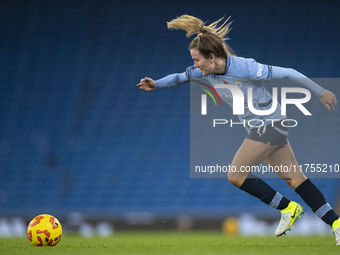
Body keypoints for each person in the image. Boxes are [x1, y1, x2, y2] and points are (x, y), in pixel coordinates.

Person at [137, 15, 339, 244]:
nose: (194, 65)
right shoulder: (208, 71)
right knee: (295, 180)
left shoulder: (245, 67)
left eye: (196, 60)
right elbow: (179, 77)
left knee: (235, 174)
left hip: (270, 125)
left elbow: (290, 72)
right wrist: (156, 84)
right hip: (266, 127)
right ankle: (337, 224)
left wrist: (320, 91)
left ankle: (288, 208)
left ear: (211, 57)